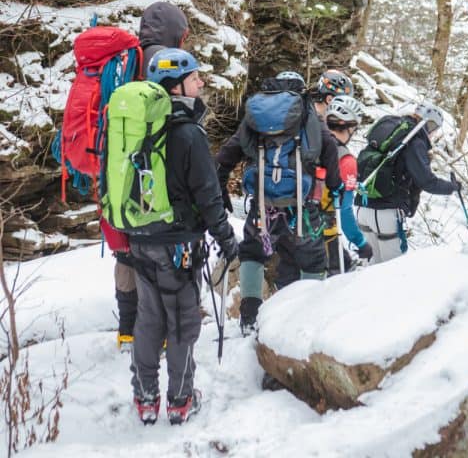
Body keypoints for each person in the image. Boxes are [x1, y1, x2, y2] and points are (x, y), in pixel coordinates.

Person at [130, 47, 238, 425]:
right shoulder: (189, 133)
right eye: (194, 77)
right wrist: (225, 237)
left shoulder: (138, 126)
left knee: (147, 320)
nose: (201, 82)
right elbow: (208, 195)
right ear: (175, 87)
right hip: (179, 246)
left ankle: (145, 398)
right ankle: (180, 400)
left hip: (140, 240)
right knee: (180, 323)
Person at [216, 71, 341, 335]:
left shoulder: (256, 118)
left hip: (263, 205)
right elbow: (329, 152)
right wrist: (335, 185)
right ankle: (305, 320)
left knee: (252, 252)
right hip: (302, 207)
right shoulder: (309, 116)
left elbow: (228, 153)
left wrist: (220, 186)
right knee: (314, 259)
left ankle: (250, 317)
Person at [115, 2, 190, 352]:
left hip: (117, 163)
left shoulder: (128, 58)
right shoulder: (165, 61)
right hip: (150, 169)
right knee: (153, 249)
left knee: (126, 248)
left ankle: (128, 330)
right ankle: (155, 330)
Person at [354, 101, 460, 263]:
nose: (432, 134)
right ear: (428, 123)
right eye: (434, 128)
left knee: (369, 267)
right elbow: (427, 181)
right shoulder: (414, 140)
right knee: (392, 271)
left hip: (363, 206)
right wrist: (452, 187)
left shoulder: (393, 130)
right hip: (386, 213)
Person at [323, 95, 373, 273]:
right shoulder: (346, 159)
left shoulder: (309, 144)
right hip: (323, 235)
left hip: (289, 225)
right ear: (350, 127)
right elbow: (344, 210)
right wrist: (360, 242)